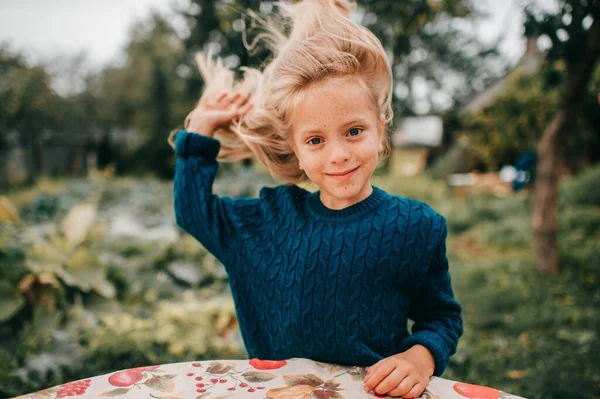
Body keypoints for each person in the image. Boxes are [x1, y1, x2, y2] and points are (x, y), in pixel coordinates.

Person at [169, 0, 463, 397]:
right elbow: (194, 212)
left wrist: (420, 357)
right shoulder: (270, 221)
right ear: (295, 150)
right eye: (315, 140)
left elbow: (440, 317)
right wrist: (201, 127)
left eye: (354, 131)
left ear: (381, 129)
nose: (338, 154)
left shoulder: (418, 226)